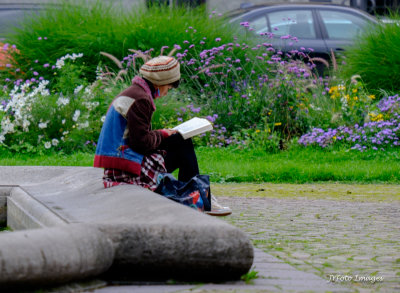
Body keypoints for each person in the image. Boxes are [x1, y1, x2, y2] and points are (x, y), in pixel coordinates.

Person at [94, 55, 231, 216]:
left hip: (121, 160)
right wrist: (162, 134)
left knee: (179, 140)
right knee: (182, 142)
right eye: (169, 87)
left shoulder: (134, 93)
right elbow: (141, 143)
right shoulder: (141, 99)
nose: (166, 92)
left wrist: (164, 135)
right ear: (160, 82)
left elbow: (137, 137)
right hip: (126, 169)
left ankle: (196, 194)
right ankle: (199, 197)